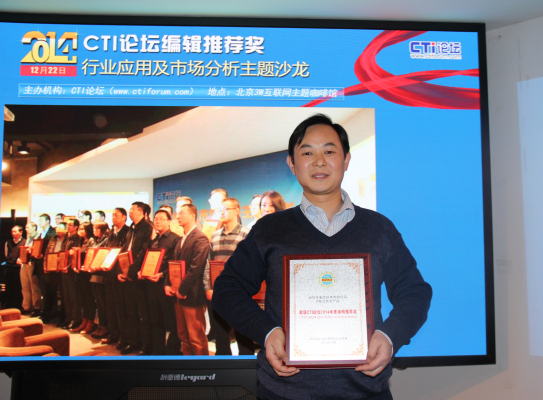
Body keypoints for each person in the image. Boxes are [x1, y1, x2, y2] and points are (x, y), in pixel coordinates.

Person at [213, 114, 432, 399]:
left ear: (346, 160)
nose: (319, 161)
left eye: (329, 151)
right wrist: (267, 331)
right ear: (292, 164)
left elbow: (414, 292)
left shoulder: (379, 229)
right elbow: (227, 289)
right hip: (283, 393)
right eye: (307, 153)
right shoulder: (269, 230)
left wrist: (391, 335)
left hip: (366, 392)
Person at [207, 197, 254, 355]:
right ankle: (223, 367)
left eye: (226, 209)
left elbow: (252, 264)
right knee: (221, 336)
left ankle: (246, 367)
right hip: (218, 293)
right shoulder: (214, 236)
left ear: (237, 211)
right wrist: (208, 288)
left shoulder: (246, 234)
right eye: (220, 210)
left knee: (243, 336)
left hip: (240, 294)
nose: (222, 212)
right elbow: (208, 264)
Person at [164, 204, 210, 355]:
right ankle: (188, 362)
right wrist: (168, 284)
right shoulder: (181, 239)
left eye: (181, 213)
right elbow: (173, 264)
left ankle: (201, 366)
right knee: (183, 335)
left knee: (196, 336)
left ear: (192, 215)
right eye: (177, 214)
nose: (178, 216)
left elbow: (196, 268)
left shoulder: (200, 238)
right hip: (178, 294)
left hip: (192, 295)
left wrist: (182, 289)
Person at [142, 209, 180, 355]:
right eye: (156, 219)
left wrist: (162, 274)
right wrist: (142, 271)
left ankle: (172, 352)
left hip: (165, 285)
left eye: (161, 219)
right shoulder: (154, 240)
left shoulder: (175, 239)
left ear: (169, 221)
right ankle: (157, 351)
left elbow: (175, 263)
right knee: (155, 319)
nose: (157, 221)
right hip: (151, 284)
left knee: (171, 321)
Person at [118, 202, 153, 355]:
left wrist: (131, 273)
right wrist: (121, 271)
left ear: (141, 212)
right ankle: (132, 341)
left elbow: (143, 253)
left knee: (142, 313)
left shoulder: (147, 228)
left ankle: (145, 345)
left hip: (138, 277)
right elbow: (125, 251)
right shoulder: (131, 229)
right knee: (130, 311)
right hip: (127, 275)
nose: (130, 211)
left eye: (132, 209)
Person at [100, 208, 131, 346]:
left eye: (116, 215)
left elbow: (124, 254)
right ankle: (113, 333)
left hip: (119, 274)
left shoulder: (128, 232)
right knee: (110, 306)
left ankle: (123, 337)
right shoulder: (111, 233)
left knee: (121, 308)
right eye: (112, 215)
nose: (113, 217)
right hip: (109, 274)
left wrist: (119, 270)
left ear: (124, 217)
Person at [19, 222, 42, 316]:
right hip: (25, 263)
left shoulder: (38, 237)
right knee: (25, 286)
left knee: (34, 286)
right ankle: (27, 306)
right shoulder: (28, 238)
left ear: (34, 228)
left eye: (28, 227)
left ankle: (36, 307)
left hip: (33, 263)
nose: (26, 229)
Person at [3, 225, 26, 309]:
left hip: (18, 268)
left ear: (21, 232)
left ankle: (18, 305)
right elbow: (6, 254)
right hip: (9, 267)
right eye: (12, 231)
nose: (13, 233)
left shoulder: (24, 242)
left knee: (18, 287)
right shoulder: (8, 242)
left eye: (15, 231)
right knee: (9, 287)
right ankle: (8, 305)